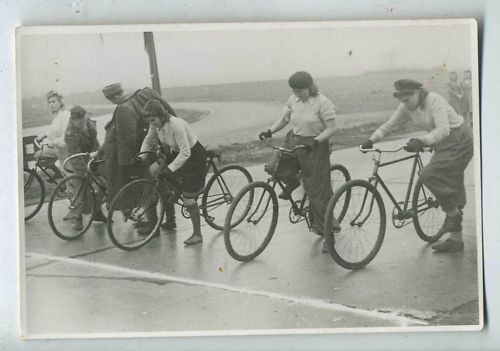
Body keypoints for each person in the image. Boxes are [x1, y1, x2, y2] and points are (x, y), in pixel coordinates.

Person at [361, 79, 474, 252]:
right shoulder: (407, 106)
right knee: (452, 181)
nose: (405, 104)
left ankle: (452, 214)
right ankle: (456, 240)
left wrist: (422, 141)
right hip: (443, 143)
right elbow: (390, 125)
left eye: (407, 99)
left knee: (430, 175)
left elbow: (444, 129)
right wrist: (371, 139)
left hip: (460, 139)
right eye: (402, 100)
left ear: (418, 93)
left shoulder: (434, 100)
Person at [258, 71, 340, 253]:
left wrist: (317, 141)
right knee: (274, 167)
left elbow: (333, 128)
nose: (297, 94)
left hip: (314, 146)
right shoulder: (293, 100)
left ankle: (329, 234)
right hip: (294, 140)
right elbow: (285, 119)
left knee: (316, 192)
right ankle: (292, 182)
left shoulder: (322, 102)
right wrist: (270, 130)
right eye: (294, 90)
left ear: (310, 87)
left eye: (300, 91)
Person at [101, 83, 178, 231]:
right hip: (165, 145)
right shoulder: (145, 94)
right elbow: (170, 112)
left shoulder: (124, 108)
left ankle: (152, 225)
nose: (113, 103)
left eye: (111, 100)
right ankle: (170, 220)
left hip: (145, 152)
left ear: (115, 96)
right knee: (162, 185)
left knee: (147, 186)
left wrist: (126, 164)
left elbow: (126, 140)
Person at [139, 99, 207, 246]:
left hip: (193, 156)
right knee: (153, 170)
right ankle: (172, 194)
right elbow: (149, 140)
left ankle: (197, 234)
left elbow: (186, 152)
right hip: (176, 152)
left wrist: (171, 168)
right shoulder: (155, 125)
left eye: (153, 120)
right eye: (149, 121)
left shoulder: (176, 126)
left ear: (161, 115)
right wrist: (141, 157)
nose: (152, 123)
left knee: (188, 199)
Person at [64, 105, 106, 229]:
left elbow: (95, 141)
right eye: (78, 121)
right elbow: (76, 157)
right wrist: (85, 173)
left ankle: (97, 213)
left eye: (83, 120)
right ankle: (77, 218)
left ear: (85, 116)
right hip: (76, 159)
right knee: (80, 186)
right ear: (73, 120)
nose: (81, 123)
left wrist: (98, 156)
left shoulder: (89, 123)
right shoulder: (70, 133)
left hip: (92, 156)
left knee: (101, 185)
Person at [34, 90, 71, 178]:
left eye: (54, 101)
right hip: (59, 148)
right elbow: (53, 130)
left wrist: (53, 142)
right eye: (49, 102)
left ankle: (61, 176)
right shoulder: (56, 116)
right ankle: (57, 172)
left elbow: (66, 136)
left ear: (60, 102)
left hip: (66, 148)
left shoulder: (65, 115)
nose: (51, 104)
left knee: (68, 173)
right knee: (38, 156)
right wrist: (44, 135)